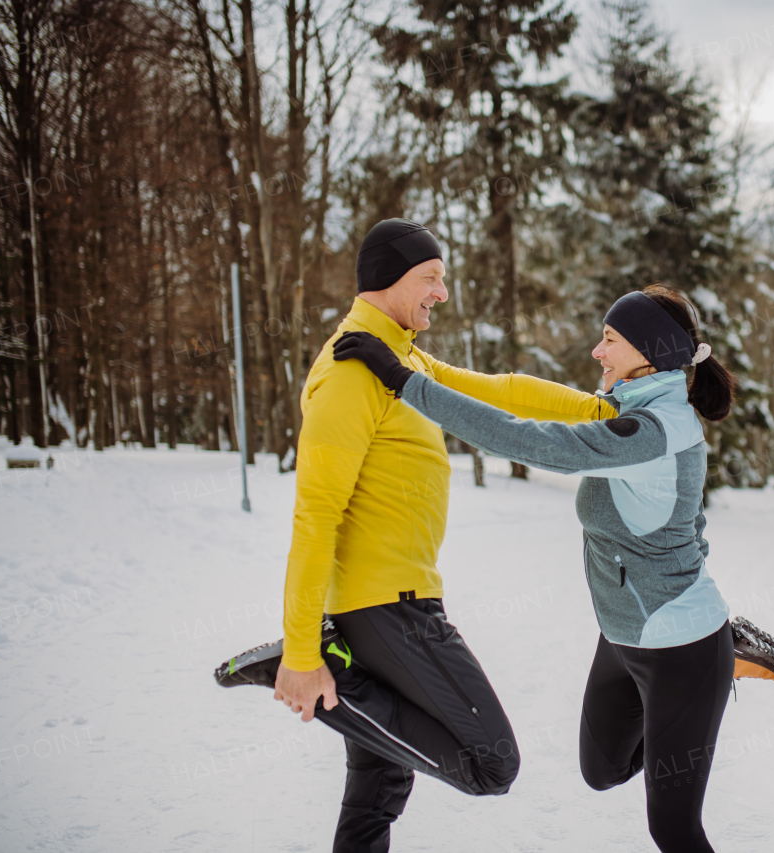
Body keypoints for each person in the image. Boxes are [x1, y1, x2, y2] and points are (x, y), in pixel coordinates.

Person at [333, 284, 774, 853]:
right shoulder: (637, 407)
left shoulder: (652, 431)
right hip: (624, 637)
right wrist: (425, 365)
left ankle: (719, 662)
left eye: (609, 340)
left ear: (649, 352)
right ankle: (718, 667)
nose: (597, 353)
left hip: (682, 647)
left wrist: (405, 383)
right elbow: (526, 400)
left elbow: (527, 441)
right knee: (601, 770)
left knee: (673, 829)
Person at [214, 219, 616, 853]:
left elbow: (501, 393)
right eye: (430, 278)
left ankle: (338, 688)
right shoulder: (351, 369)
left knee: (376, 791)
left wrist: (602, 409)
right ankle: (326, 685)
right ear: (387, 278)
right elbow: (315, 515)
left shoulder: (399, 358)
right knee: (492, 763)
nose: (442, 293)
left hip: (394, 600)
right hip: (385, 608)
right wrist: (299, 651)